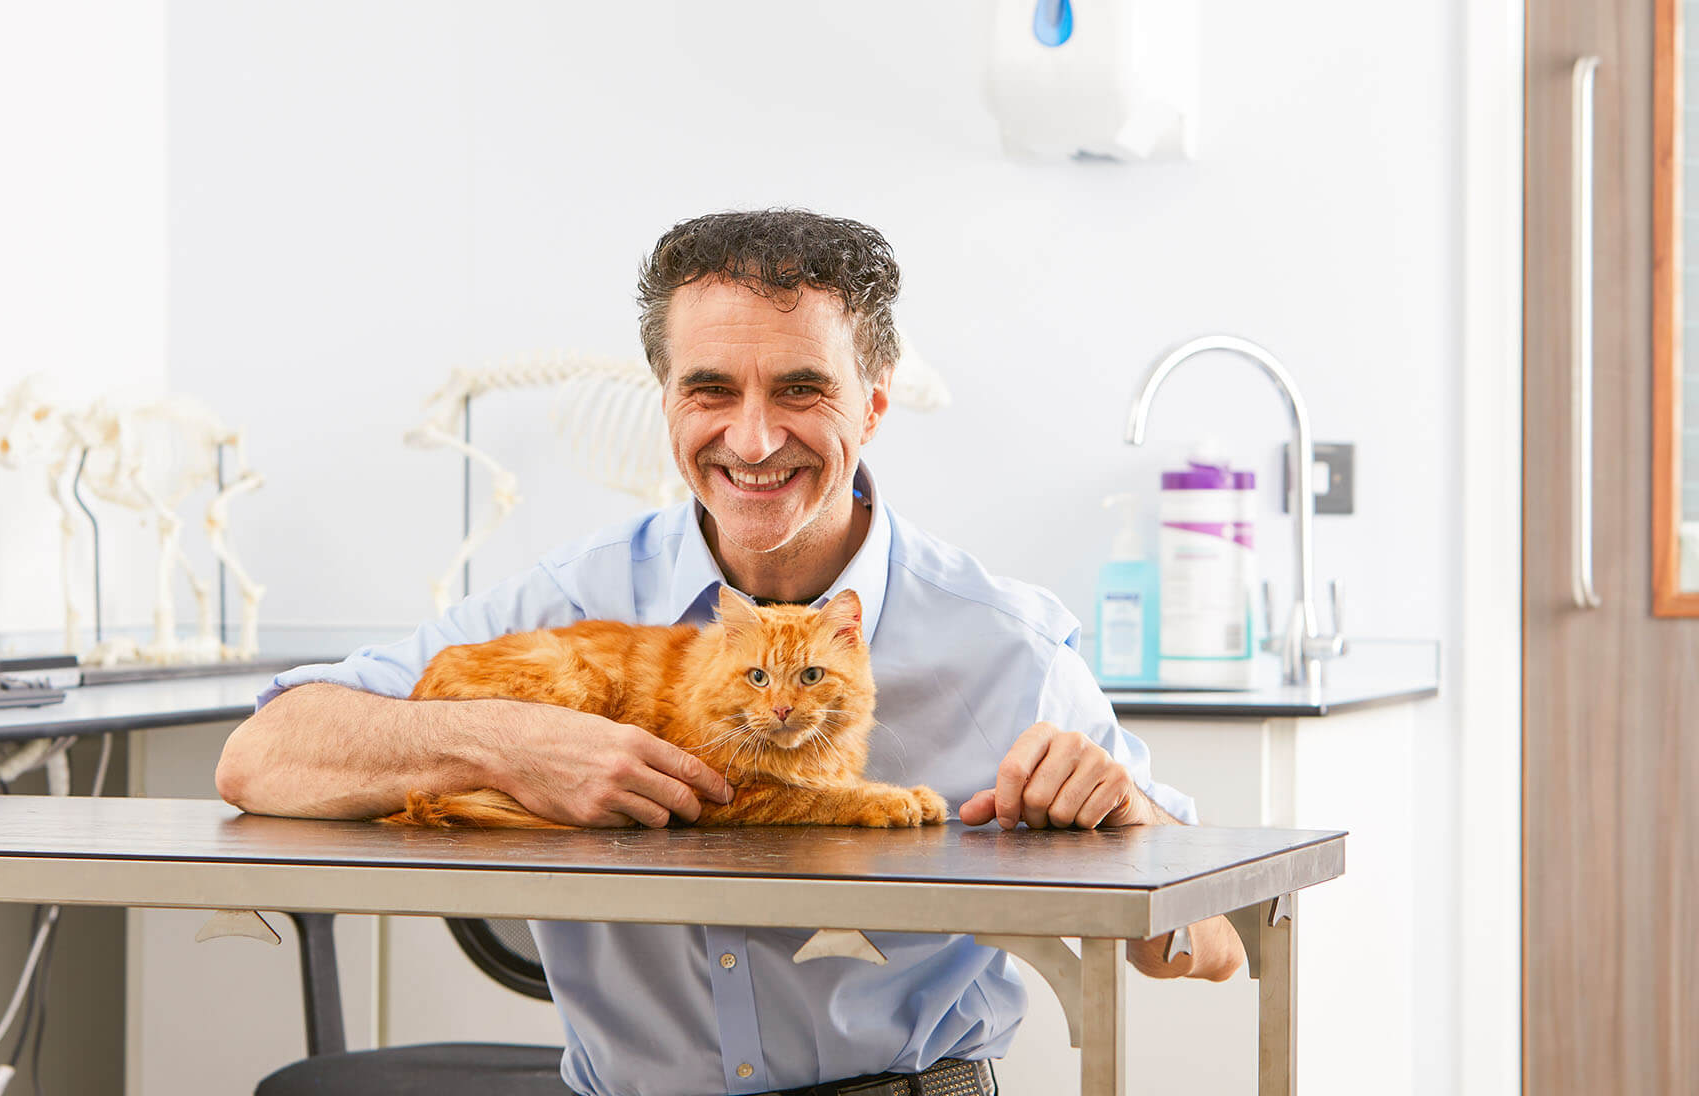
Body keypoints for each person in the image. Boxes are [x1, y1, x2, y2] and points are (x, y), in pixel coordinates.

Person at [216, 208, 1245, 1095]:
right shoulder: (575, 601)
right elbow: (262, 756)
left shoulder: (1005, 647)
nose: (752, 441)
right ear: (665, 400)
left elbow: (1209, 944)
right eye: (711, 390)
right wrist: (505, 743)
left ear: (874, 404)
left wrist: (1128, 819)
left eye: (801, 389)